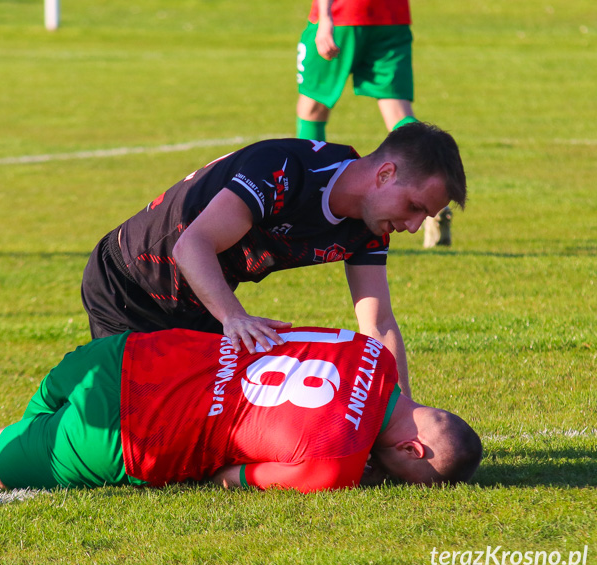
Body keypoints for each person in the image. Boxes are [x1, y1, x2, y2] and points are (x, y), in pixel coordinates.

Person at [0, 327, 482, 495]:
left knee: (4, 437)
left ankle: (17, 440)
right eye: (410, 480)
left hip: (121, 356)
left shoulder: (372, 354)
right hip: (129, 436)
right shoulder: (333, 467)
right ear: (413, 454)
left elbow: (273, 337)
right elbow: (227, 478)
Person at [81, 122, 467, 396]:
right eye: (414, 207)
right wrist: (234, 317)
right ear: (385, 174)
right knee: (126, 424)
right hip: (128, 283)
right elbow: (192, 246)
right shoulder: (284, 170)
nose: (415, 227)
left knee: (196, 422)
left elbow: (378, 322)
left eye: (426, 217)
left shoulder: (371, 226)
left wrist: (402, 412)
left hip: (203, 301)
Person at [295, 0, 453, 247]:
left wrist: (325, 18)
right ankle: (431, 193)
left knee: (312, 107)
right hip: (392, 15)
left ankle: (306, 199)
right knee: (397, 111)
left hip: (344, 14)